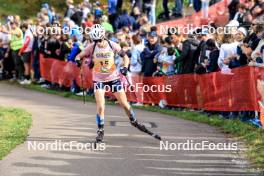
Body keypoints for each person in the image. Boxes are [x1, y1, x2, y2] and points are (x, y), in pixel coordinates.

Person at [75, 24, 145, 142]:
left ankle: (134, 121)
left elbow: (125, 57)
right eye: (95, 40)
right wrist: (77, 61)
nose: (98, 43)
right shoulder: (92, 47)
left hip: (113, 78)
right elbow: (79, 55)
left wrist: (125, 67)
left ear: (103, 36)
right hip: (99, 79)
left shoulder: (112, 45)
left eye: (99, 40)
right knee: (101, 106)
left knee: (125, 104)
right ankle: (100, 130)